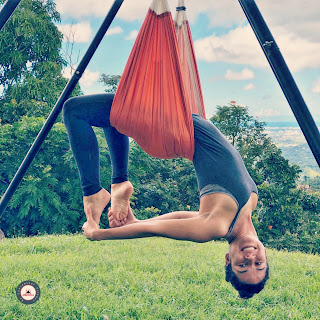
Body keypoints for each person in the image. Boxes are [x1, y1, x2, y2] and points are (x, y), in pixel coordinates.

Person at [63, 93, 269, 299]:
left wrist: (97, 234)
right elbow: (179, 218)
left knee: (75, 110)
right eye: (258, 263)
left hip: (172, 126)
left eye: (242, 265)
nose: (250, 257)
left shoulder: (215, 225)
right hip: (179, 122)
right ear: (265, 256)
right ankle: (119, 182)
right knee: (115, 114)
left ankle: (93, 193)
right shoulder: (241, 212)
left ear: (228, 259)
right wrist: (134, 222)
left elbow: (154, 230)